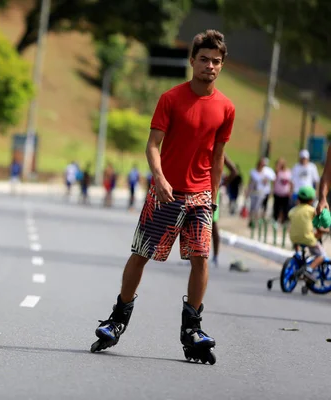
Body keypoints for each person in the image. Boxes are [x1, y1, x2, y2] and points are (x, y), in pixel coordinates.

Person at [90, 30, 235, 365]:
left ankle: (192, 328)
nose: (209, 66)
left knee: (201, 257)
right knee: (141, 254)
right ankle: (117, 318)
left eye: (216, 61)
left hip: (200, 196)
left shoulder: (226, 108)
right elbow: (152, 145)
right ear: (192, 61)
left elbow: (217, 157)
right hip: (165, 193)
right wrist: (159, 177)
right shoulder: (171, 98)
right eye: (203, 59)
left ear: (222, 65)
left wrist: (213, 198)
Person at [288, 186, 328, 282]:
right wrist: (323, 230)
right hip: (307, 238)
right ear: (311, 200)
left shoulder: (292, 210)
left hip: (293, 237)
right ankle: (309, 269)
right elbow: (318, 225)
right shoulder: (311, 210)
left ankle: (298, 262)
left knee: (300, 248)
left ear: (298, 198)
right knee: (322, 255)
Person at [211, 154, 238, 267]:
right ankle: (191, 256)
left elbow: (234, 171)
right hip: (198, 188)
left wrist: (223, 184)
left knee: (213, 224)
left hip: (212, 190)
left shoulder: (219, 151)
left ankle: (216, 256)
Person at [245, 157, 275, 228]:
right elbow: (250, 183)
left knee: (257, 208)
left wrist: (270, 189)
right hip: (253, 192)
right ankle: (251, 220)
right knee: (252, 207)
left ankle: (255, 222)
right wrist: (247, 191)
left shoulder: (266, 172)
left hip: (261, 193)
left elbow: (272, 179)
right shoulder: (253, 172)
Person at [272, 157, 293, 225]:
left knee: (285, 208)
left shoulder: (288, 172)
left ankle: (284, 221)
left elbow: (290, 182)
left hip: (285, 193)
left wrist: (290, 191)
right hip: (277, 192)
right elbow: (274, 181)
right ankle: (275, 219)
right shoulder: (277, 172)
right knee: (276, 207)